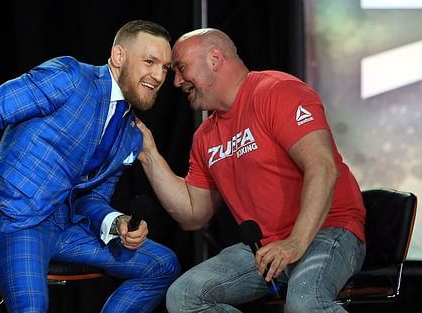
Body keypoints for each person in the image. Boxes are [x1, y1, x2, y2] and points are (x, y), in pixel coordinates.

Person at [137, 28, 366, 313]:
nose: (176, 81)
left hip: (328, 231)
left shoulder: (276, 91)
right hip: (266, 250)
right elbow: (193, 214)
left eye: (181, 68)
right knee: (184, 297)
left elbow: (323, 168)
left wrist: (295, 242)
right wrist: (148, 154)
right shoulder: (205, 135)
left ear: (215, 58)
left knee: (305, 301)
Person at [0, 20, 180, 313]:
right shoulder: (71, 76)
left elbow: (91, 198)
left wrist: (116, 222)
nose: (158, 75)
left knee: (162, 265)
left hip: (64, 229)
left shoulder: (130, 134)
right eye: (150, 61)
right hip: (13, 219)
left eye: (165, 67)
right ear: (118, 56)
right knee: (31, 307)